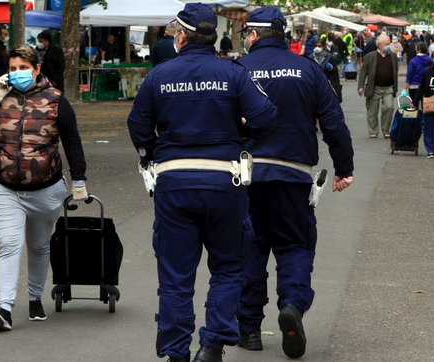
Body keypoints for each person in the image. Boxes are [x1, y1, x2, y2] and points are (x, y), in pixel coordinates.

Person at [126, 4, 278, 361]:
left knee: (176, 276)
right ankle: (212, 345)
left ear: (181, 36)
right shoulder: (233, 72)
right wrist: (241, 137)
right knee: (228, 267)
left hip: (173, 181)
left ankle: (177, 352)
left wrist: (153, 152)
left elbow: (138, 126)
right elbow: (267, 115)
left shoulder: (159, 76)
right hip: (225, 181)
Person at [237, 7, 354, 359]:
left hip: (245, 176)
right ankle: (292, 304)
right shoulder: (308, 70)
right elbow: (334, 123)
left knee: (250, 250)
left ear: (254, 35)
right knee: (296, 246)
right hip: (292, 175)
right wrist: (344, 167)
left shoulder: (238, 70)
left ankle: (250, 329)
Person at [0, 44, 88, 332]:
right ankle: (5, 308)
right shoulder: (0, 98)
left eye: (23, 68)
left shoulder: (56, 100)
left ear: (36, 70)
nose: (17, 73)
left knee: (38, 246)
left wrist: (79, 180)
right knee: (9, 245)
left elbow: (72, 140)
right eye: (12, 69)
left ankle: (35, 298)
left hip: (46, 189)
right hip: (4, 187)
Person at [358, 34, 398, 138]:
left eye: (389, 44)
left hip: (388, 87)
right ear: (379, 45)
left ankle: (385, 129)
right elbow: (363, 72)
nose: (388, 46)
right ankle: (373, 130)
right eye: (386, 44)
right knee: (372, 110)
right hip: (374, 87)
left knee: (389, 107)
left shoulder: (393, 56)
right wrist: (360, 86)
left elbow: (395, 70)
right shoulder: (370, 56)